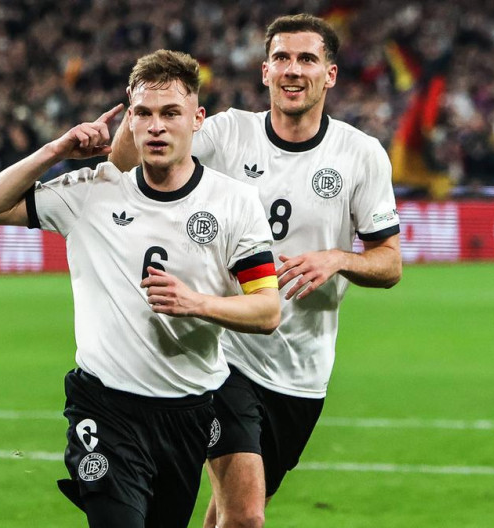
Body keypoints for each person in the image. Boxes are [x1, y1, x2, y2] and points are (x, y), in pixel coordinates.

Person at [110, 14, 401, 528]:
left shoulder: (360, 155)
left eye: (307, 59)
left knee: (230, 514)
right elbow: (129, 165)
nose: (293, 70)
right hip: (224, 353)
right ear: (265, 71)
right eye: (282, 58)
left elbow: (389, 261)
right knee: (246, 515)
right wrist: (141, 106)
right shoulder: (228, 133)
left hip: (302, 368)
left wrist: (338, 258)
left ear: (330, 74)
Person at [0, 50, 281, 528]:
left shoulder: (234, 202)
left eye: (171, 113)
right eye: (144, 113)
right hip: (105, 408)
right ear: (129, 121)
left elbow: (267, 311)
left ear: (197, 119)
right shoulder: (92, 191)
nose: (156, 127)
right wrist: (56, 150)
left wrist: (195, 303)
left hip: (189, 411)